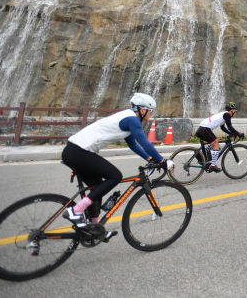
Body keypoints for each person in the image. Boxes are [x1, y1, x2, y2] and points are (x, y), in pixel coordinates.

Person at [62, 93, 174, 230]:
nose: (151, 114)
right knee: (115, 176)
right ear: (143, 110)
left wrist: (150, 159)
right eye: (150, 111)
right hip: (79, 151)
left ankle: (93, 227)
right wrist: (163, 161)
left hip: (73, 151)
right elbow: (145, 143)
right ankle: (76, 210)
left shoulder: (127, 117)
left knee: (97, 187)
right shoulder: (133, 120)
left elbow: (133, 145)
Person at [196, 102, 244, 173]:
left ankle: (201, 156)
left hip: (202, 129)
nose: (235, 113)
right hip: (205, 129)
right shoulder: (227, 115)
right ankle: (213, 165)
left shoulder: (223, 114)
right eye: (235, 111)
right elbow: (230, 127)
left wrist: (230, 133)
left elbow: (223, 127)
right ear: (232, 110)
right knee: (216, 144)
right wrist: (239, 133)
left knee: (215, 142)